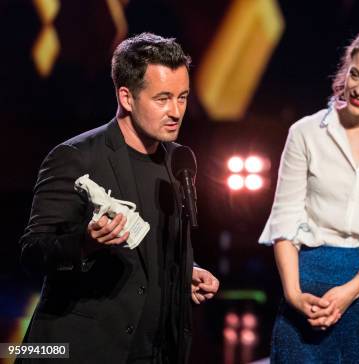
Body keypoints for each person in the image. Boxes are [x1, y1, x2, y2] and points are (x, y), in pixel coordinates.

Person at [18, 33, 219, 364]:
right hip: (83, 351)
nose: (176, 111)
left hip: (154, 352)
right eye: (163, 98)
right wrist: (86, 243)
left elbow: (156, 247)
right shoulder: (75, 157)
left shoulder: (180, 160)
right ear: (127, 97)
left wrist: (187, 271)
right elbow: (33, 253)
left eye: (182, 97)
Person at [259, 22, 359, 363]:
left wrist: (351, 291)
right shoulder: (306, 133)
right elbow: (285, 221)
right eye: (355, 74)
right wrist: (294, 294)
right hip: (307, 286)